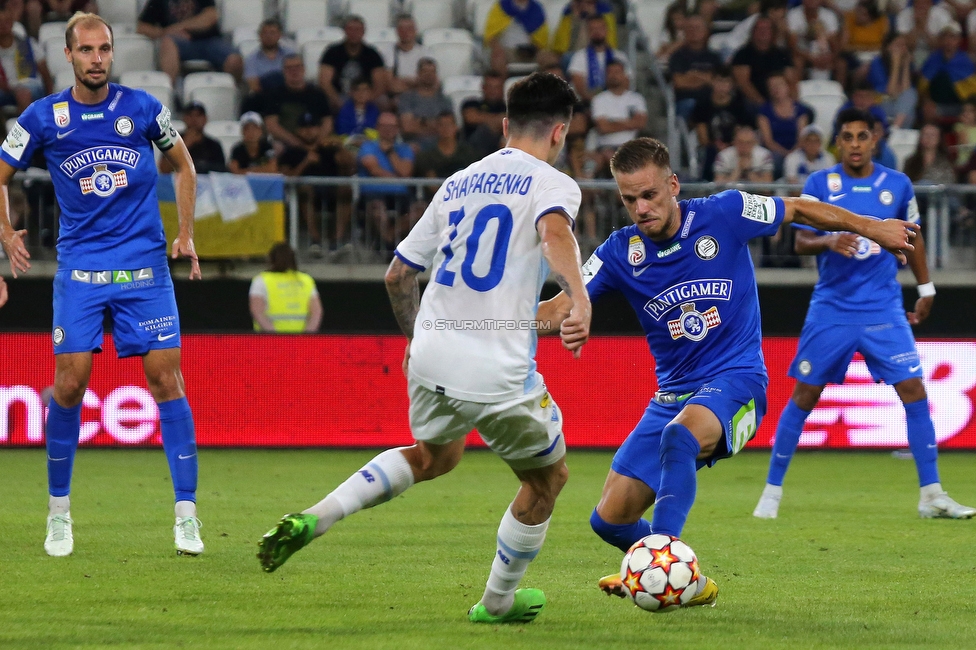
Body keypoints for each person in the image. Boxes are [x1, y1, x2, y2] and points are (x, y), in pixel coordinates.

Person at [257, 72, 591, 626]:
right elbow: (556, 233)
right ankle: (498, 603)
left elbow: (396, 276)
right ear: (560, 132)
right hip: (496, 365)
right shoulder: (554, 184)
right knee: (547, 480)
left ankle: (317, 515)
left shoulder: (457, 181)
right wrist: (578, 298)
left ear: (505, 125)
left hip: (432, 351)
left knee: (436, 456)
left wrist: (415, 338)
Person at [535, 135, 919, 606]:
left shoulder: (726, 212)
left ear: (673, 185)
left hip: (739, 384)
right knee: (608, 520)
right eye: (629, 199)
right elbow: (559, 306)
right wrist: (493, 325)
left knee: (679, 438)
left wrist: (872, 227)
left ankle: (662, 557)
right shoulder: (620, 252)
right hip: (672, 396)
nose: (640, 208)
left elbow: (797, 208)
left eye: (649, 194)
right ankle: (686, 582)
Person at [0, 12, 204, 557]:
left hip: (144, 270)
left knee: (167, 380)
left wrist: (184, 233)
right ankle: (58, 513)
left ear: (112, 53)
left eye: (104, 49)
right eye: (86, 50)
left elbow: (184, 165)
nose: (97, 59)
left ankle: (187, 515)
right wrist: (3, 231)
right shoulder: (44, 118)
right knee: (69, 386)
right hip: (82, 271)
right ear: (67, 55)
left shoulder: (141, 108)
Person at [753, 108, 975, 521]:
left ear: (875, 140)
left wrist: (925, 287)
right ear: (840, 142)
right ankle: (771, 493)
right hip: (832, 309)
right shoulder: (821, 183)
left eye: (862, 136)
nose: (855, 144)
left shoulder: (898, 184)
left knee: (914, 391)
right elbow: (800, 241)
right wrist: (829, 240)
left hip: (883, 308)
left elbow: (914, 239)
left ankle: (932, 495)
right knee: (804, 395)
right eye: (848, 137)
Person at [278, 112, 341, 256]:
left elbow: (349, 168)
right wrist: (306, 161)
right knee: (306, 190)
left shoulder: (329, 149)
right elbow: (287, 177)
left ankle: (336, 240)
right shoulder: (291, 152)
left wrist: (341, 148)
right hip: (303, 195)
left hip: (331, 192)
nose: (308, 130)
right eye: (304, 127)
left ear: (319, 129)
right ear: (298, 130)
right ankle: (315, 240)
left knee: (346, 190)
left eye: (312, 126)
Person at [137, 0, 243, 84]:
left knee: (235, 61)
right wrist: (164, 32)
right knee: (167, 43)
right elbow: (142, 27)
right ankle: (171, 94)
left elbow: (210, 17)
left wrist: (179, 28)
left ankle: (232, 94)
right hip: (180, 43)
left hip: (210, 41)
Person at [261, 54, 333, 150]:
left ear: (304, 69)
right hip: (286, 144)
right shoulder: (274, 95)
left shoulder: (318, 94)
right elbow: (271, 125)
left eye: (297, 67)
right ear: (283, 71)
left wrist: (316, 144)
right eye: (289, 68)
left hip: (316, 143)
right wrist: (298, 144)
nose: (294, 71)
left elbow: (327, 122)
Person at [318, 15, 388, 112]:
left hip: (366, 96)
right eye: (350, 29)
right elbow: (324, 82)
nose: (354, 33)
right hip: (339, 95)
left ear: (363, 32)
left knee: (383, 101)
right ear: (344, 31)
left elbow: (380, 84)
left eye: (358, 29)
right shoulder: (332, 52)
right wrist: (336, 100)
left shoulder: (373, 54)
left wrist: (366, 100)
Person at [249, 242, 322, 332]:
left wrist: (277, 337)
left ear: (271, 259)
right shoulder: (306, 280)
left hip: (269, 341)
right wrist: (306, 336)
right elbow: (316, 312)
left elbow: (257, 311)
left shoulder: (261, 280)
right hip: (300, 341)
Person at [590, 60, 646, 173]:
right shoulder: (599, 99)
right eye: (610, 72)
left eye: (617, 72)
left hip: (631, 147)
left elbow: (640, 123)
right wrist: (629, 123)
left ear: (624, 75)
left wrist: (613, 122)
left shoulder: (636, 99)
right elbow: (603, 127)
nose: (613, 76)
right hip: (605, 148)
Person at [731, 15, 796, 111]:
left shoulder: (782, 54)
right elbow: (743, 84)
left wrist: (791, 103)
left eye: (767, 29)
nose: (763, 32)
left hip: (779, 100)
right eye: (759, 28)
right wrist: (764, 106)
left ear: (773, 33)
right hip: (752, 102)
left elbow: (791, 81)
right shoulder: (742, 54)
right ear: (753, 32)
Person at [0, 0, 52, 116]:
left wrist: (50, 98)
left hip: (30, 86)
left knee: (23, 93)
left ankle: (25, 130)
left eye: (7, 22)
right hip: (6, 90)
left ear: (12, 23)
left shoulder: (29, 44)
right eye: (0, 23)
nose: (3, 26)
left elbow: (45, 74)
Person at [668, 14, 722, 120]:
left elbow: (717, 82)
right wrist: (706, 78)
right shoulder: (677, 56)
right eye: (690, 28)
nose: (693, 31)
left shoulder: (714, 57)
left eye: (697, 28)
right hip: (687, 102)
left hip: (711, 102)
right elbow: (679, 82)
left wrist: (693, 75)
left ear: (706, 31)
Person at [568, 14, 629, 104]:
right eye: (593, 29)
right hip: (587, 103)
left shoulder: (620, 56)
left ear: (607, 30)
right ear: (588, 32)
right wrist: (597, 103)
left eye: (600, 28)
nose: (597, 32)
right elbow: (579, 86)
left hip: (615, 103)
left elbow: (626, 83)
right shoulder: (579, 56)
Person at [396, 57, 453, 150]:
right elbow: (407, 127)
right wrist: (435, 125)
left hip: (441, 147)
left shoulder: (445, 100)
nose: (429, 75)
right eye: (425, 71)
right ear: (418, 73)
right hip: (414, 146)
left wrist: (421, 122)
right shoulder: (407, 98)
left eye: (432, 72)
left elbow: (448, 128)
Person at [158, 101, 225, 174]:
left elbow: (221, 173)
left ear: (205, 119)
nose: (194, 119)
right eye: (190, 115)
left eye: (198, 115)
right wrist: (185, 144)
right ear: (184, 118)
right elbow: (164, 169)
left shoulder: (214, 145)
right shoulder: (172, 140)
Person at [243, 18, 295, 94]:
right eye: (265, 33)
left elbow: (296, 79)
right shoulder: (251, 59)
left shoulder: (291, 54)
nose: (268, 36)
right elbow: (253, 85)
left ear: (279, 35)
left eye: (272, 33)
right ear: (259, 35)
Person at [461, 71, 506, 157]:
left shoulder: (508, 107)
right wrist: (497, 122)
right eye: (490, 87)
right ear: (483, 87)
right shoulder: (471, 103)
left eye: (496, 87)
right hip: (473, 152)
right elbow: (470, 117)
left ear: (502, 89)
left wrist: (484, 119)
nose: (493, 91)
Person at [386, 14, 428, 96]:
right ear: (397, 31)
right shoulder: (388, 51)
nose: (406, 32)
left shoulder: (425, 52)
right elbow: (389, 84)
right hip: (397, 97)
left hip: (420, 96)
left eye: (409, 29)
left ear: (415, 31)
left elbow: (428, 82)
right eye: (402, 29)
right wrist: (413, 83)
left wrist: (402, 81)